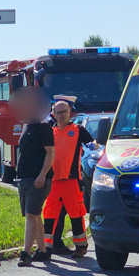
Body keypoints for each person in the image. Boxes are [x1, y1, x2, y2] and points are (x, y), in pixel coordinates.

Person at [43, 101, 94, 258]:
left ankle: (81, 246)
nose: (62, 114)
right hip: (53, 181)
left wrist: (94, 146)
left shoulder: (78, 130)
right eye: (58, 112)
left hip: (72, 180)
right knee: (50, 214)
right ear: (53, 114)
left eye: (64, 111)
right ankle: (47, 247)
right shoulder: (50, 131)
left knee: (76, 214)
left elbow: (92, 143)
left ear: (70, 111)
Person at [11, 87, 55, 267]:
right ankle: (43, 251)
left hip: (38, 180)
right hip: (25, 179)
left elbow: (50, 153)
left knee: (31, 215)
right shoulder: (26, 126)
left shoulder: (44, 127)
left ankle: (26, 253)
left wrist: (42, 175)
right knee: (35, 215)